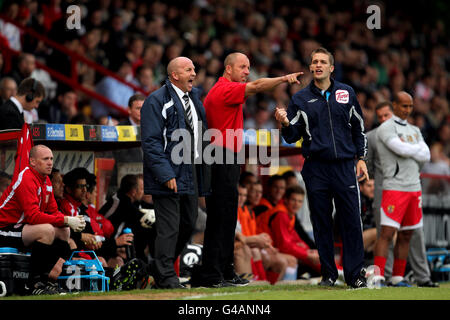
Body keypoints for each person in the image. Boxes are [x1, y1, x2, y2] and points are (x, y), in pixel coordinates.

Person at [190, 52, 303, 288]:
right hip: (220, 155)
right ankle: (212, 273)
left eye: (248, 67)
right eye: (242, 67)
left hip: (225, 155)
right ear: (228, 69)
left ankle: (224, 270)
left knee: (227, 216)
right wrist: (284, 78)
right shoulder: (224, 89)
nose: (247, 71)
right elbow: (259, 85)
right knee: (221, 216)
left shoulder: (224, 91)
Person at [275, 47, 368, 288]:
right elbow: (292, 135)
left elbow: (359, 128)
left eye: (323, 62)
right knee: (321, 221)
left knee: (351, 221)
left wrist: (361, 158)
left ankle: (355, 276)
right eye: (314, 61)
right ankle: (328, 275)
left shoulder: (346, 93)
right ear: (310, 67)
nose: (318, 65)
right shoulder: (300, 98)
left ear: (331, 68)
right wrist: (285, 123)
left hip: (345, 166)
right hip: (316, 167)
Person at [141, 56, 210, 289]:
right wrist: (165, 173)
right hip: (168, 172)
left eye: (194, 69)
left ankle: (159, 266)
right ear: (174, 75)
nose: (194, 73)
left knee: (189, 223)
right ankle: (167, 276)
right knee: (169, 227)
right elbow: (151, 142)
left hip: (189, 170)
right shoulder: (156, 101)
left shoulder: (193, 99)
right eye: (188, 69)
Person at [0, 145, 85, 295]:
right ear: (32, 161)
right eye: (45, 159)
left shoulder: (46, 181)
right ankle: (32, 283)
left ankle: (47, 279)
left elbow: (53, 212)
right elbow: (33, 216)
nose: (50, 162)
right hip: (5, 228)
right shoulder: (26, 178)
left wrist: (70, 221)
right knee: (47, 230)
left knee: (64, 231)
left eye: (51, 159)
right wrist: (66, 219)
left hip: (22, 228)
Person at [373, 91, 435, 287]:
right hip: (395, 186)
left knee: (407, 233)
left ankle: (398, 277)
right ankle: (378, 275)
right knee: (387, 232)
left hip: (413, 187)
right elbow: (400, 149)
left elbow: (427, 155)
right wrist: (415, 149)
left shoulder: (414, 130)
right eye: (403, 106)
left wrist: (413, 150)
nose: (407, 110)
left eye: (410, 106)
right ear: (394, 106)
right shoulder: (385, 128)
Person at [99, 174, 155, 264]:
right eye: (141, 189)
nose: (143, 192)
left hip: (116, 248)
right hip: (104, 248)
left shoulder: (133, 203)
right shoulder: (120, 203)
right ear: (133, 191)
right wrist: (114, 246)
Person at [269, 186, 322, 277]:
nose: (296, 204)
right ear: (286, 200)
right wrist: (307, 254)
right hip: (268, 250)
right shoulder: (281, 215)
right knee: (307, 259)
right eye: (293, 200)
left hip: (273, 249)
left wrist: (308, 251)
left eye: (300, 201)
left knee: (316, 257)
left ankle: (336, 273)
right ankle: (336, 274)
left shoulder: (289, 214)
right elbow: (284, 245)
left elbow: (295, 239)